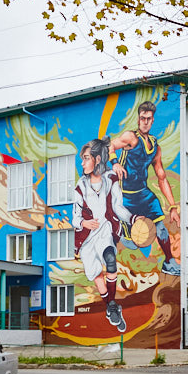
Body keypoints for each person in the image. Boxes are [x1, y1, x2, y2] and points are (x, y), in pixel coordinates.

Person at [109, 101, 181, 275]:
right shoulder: (131, 137)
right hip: (125, 195)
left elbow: (162, 177)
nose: (145, 122)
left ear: (153, 120)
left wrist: (172, 206)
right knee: (130, 241)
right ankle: (115, 238)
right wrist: (115, 162)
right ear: (138, 119)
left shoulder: (155, 147)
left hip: (143, 193)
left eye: (148, 118)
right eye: (142, 118)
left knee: (160, 226)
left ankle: (169, 262)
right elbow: (110, 145)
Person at [74, 138, 135, 332]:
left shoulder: (111, 178)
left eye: (86, 158)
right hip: (86, 238)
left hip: (105, 229)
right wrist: (83, 223)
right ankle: (111, 306)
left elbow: (118, 207)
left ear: (97, 159)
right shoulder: (80, 185)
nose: (82, 163)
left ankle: (111, 307)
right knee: (96, 274)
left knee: (110, 259)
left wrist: (133, 219)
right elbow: (75, 218)